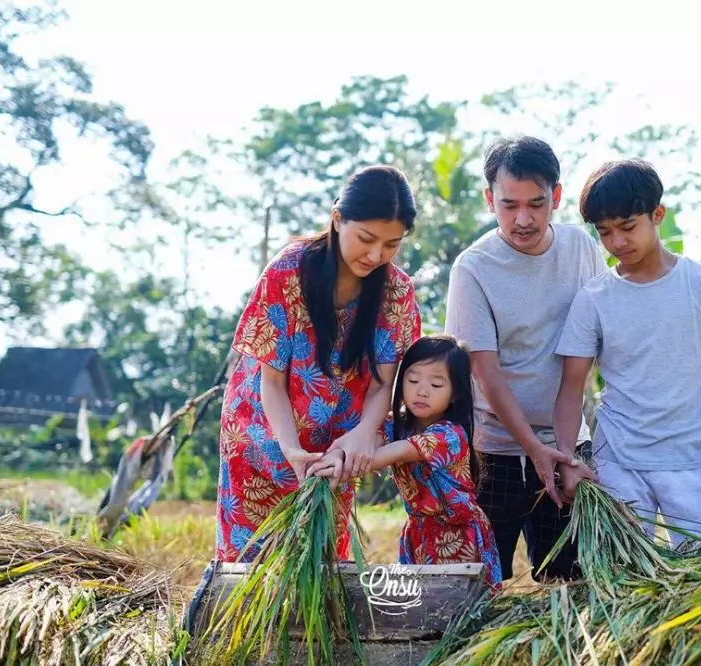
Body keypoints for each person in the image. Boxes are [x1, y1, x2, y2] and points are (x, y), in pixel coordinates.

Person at [215, 164, 423, 564]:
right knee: (249, 564)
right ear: (337, 218)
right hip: (263, 433)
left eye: (392, 244)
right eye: (366, 239)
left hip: (336, 443)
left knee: (319, 561)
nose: (376, 255)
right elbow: (271, 383)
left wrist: (364, 433)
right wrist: (291, 451)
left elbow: (384, 383)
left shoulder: (396, 290)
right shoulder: (289, 270)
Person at [553, 158, 701, 548]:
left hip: (694, 461)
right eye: (605, 232)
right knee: (622, 585)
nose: (617, 243)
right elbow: (571, 387)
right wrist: (568, 460)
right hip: (618, 463)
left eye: (628, 227)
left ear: (657, 215)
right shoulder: (593, 299)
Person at [444, 135, 605, 582]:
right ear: (488, 199)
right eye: (508, 204)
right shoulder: (472, 268)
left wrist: (564, 449)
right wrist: (531, 447)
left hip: (568, 443)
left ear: (556, 195)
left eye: (536, 204)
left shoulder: (582, 249)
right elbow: (485, 370)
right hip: (493, 450)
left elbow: (599, 341)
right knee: (477, 584)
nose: (523, 219)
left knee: (570, 581)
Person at [312, 335, 503, 590]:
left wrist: (340, 468)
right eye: (413, 380)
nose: (421, 391)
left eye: (436, 384)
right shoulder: (396, 423)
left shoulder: (449, 435)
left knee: (461, 610)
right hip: (419, 533)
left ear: (455, 393)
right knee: (420, 610)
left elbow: (396, 452)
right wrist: (337, 456)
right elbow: (368, 442)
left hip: (459, 534)